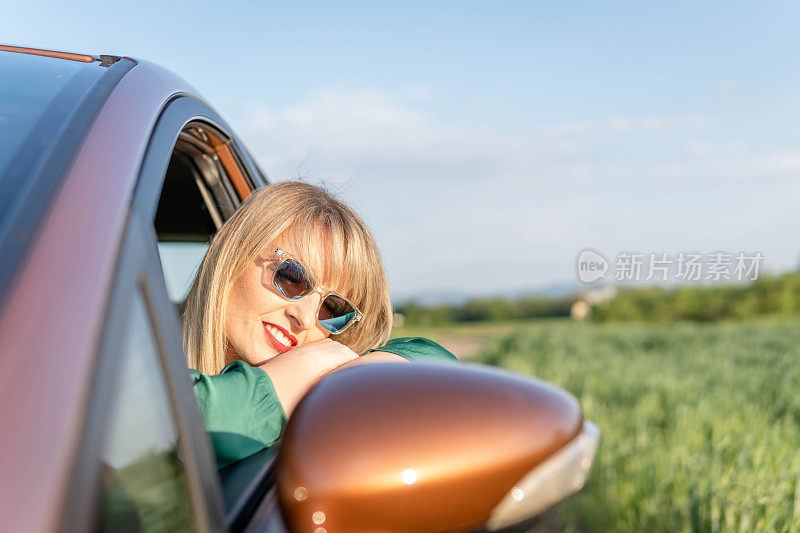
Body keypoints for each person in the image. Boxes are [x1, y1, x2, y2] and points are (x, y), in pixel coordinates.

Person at [182, 181, 457, 469]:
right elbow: (197, 423)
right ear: (233, 255)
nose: (305, 318)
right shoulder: (141, 363)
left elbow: (439, 367)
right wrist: (308, 366)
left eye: (332, 308)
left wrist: (335, 374)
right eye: (292, 277)